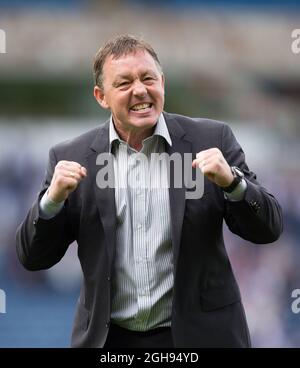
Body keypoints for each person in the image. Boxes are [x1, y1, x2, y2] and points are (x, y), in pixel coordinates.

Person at [16, 34, 283, 348]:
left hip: (201, 338)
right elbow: (32, 258)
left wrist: (233, 183)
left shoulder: (211, 139)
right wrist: (51, 202)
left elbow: (269, 228)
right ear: (101, 96)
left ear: (163, 83)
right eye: (125, 83)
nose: (140, 90)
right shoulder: (70, 157)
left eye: (147, 78)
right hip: (111, 342)